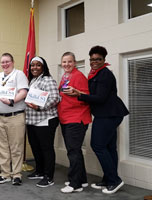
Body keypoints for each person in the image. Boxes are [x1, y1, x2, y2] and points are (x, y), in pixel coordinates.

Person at [65, 46, 129, 194]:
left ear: (104, 60)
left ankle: (114, 180)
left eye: (98, 59)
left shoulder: (105, 74)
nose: (95, 62)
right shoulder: (96, 73)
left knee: (98, 146)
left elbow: (100, 98)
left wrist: (79, 95)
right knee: (109, 147)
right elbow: (96, 94)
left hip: (108, 115)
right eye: (92, 59)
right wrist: (80, 92)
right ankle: (108, 179)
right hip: (107, 114)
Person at [57, 52, 92, 193]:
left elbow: (87, 96)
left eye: (69, 62)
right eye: (64, 62)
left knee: (73, 152)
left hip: (76, 119)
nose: (67, 64)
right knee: (75, 151)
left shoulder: (79, 76)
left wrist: (77, 93)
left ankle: (74, 184)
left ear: (75, 63)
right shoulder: (66, 76)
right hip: (66, 117)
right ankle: (81, 180)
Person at [0, 53, 29, 186]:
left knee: (16, 147)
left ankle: (17, 174)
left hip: (15, 116)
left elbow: (23, 92)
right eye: (2, 62)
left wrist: (12, 101)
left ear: (13, 62)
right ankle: (5, 174)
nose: (5, 64)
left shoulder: (18, 74)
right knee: (2, 147)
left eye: (7, 61)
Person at [25, 56, 60, 188]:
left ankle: (49, 176)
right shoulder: (32, 80)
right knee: (36, 147)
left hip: (45, 119)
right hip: (32, 120)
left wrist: (40, 107)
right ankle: (40, 171)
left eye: (38, 65)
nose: (34, 67)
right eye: (32, 65)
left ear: (43, 67)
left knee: (46, 149)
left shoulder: (48, 80)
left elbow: (55, 98)